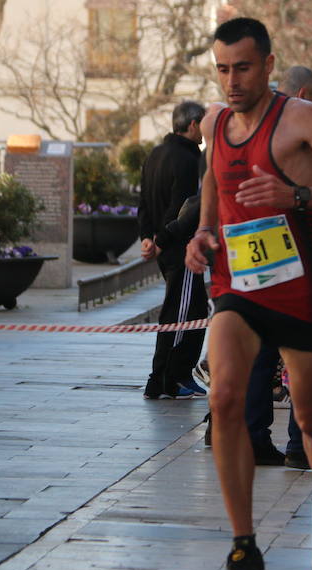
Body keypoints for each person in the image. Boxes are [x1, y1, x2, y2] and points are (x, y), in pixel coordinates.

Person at [184, 18, 312, 570]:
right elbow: (214, 187)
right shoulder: (215, 122)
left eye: (242, 67)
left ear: (268, 65)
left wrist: (297, 195)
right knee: (222, 399)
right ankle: (244, 546)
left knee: (311, 419)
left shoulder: (300, 119)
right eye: (222, 69)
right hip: (236, 285)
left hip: (297, 289)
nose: (231, 81)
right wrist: (201, 233)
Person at [238, 65, 312, 474]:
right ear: (304, 93)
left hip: (253, 246)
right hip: (294, 246)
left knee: (263, 349)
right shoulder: (297, 123)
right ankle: (302, 447)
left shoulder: (246, 118)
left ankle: (254, 440)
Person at [138, 101, 207, 400]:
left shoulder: (155, 154)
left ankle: (169, 377)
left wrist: (147, 238)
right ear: (192, 125)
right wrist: (164, 240)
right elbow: (184, 209)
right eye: (202, 124)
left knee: (190, 310)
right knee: (183, 315)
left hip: (163, 245)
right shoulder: (188, 160)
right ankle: (169, 378)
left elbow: (144, 203)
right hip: (180, 248)